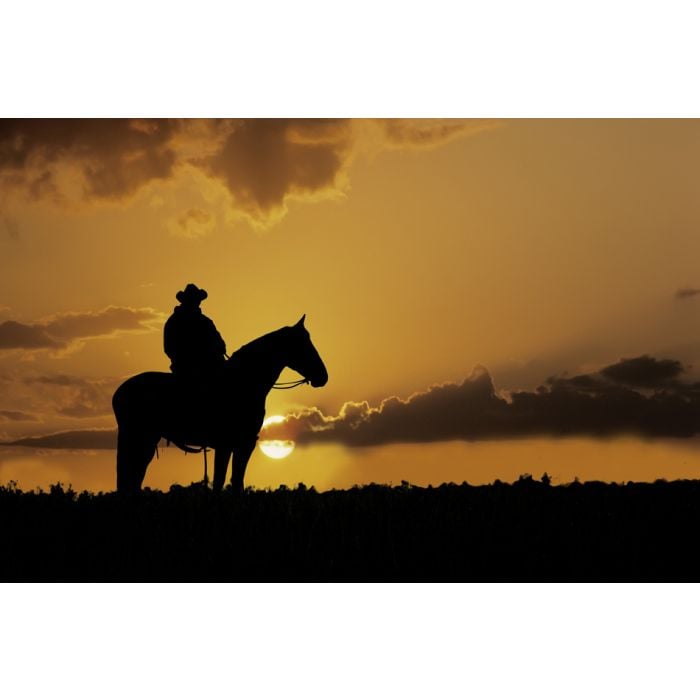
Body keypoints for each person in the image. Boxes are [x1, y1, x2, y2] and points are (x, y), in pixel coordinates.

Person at [163, 283, 227, 381]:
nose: (196, 302)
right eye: (193, 299)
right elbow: (170, 348)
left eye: (197, 300)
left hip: (210, 364)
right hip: (185, 368)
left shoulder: (206, 321)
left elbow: (220, 343)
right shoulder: (175, 321)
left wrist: (219, 348)